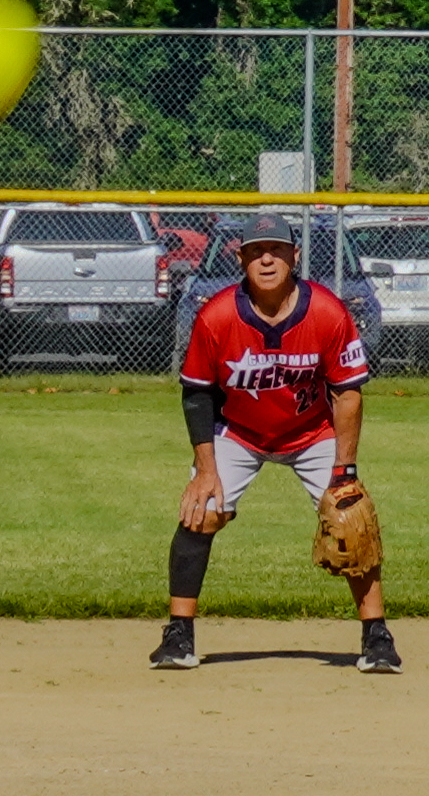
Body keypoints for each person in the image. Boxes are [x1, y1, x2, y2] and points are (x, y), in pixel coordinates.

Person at [155, 213, 398, 675]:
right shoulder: (217, 315)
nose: (267, 259)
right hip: (239, 432)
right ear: (242, 258)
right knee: (200, 512)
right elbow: (197, 394)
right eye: (256, 251)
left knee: (351, 517)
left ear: (294, 256)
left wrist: (344, 470)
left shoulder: (327, 311)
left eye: (277, 249)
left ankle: (377, 636)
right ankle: (178, 635)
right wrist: (206, 470)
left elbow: (348, 392)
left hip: (310, 432)